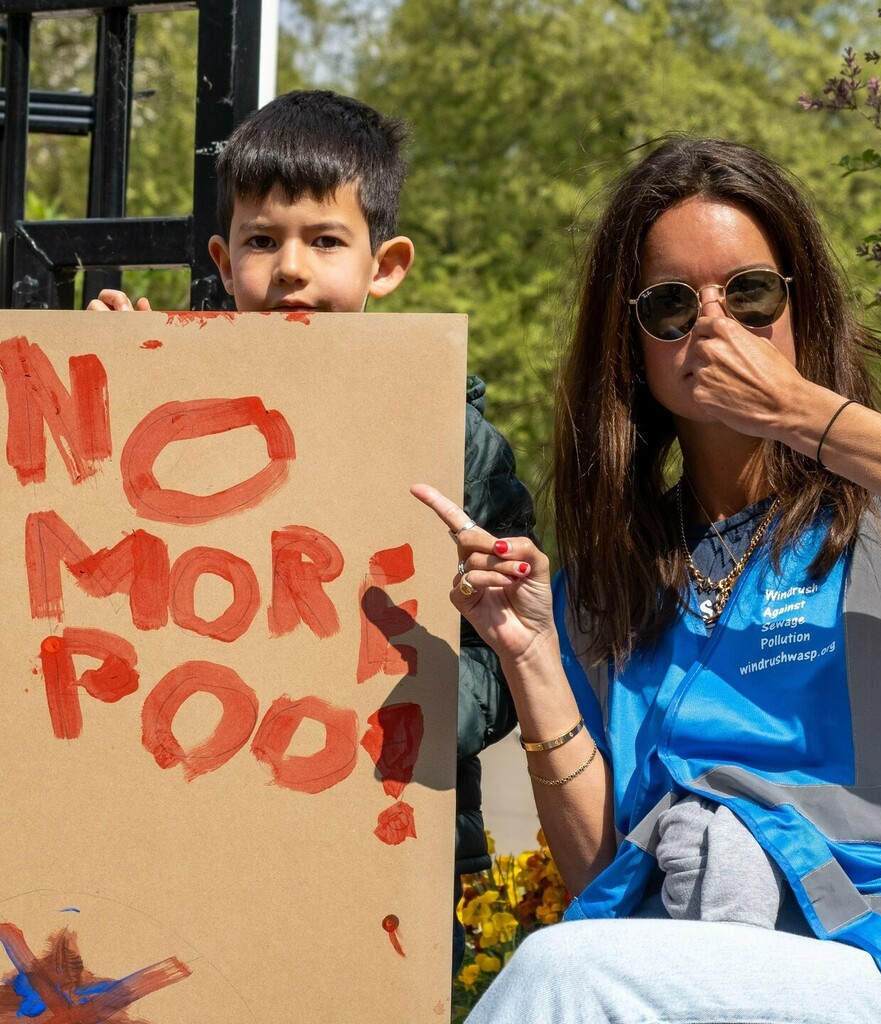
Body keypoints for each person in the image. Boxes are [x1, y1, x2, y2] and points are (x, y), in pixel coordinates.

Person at [412, 135, 881, 1024]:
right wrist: (530, 652)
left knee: (564, 977)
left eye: (751, 293)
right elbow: (599, 874)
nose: (714, 324)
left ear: (801, 307)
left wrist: (798, 409)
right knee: (582, 964)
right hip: (701, 970)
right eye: (671, 306)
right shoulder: (609, 585)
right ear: (634, 348)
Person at [87, 89, 534, 974]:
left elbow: (508, 665)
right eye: (262, 240)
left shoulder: (458, 443)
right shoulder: (174, 418)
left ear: (386, 264)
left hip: (387, 845)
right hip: (194, 833)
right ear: (223, 260)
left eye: (326, 241)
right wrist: (113, 381)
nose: (291, 268)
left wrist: (394, 712)